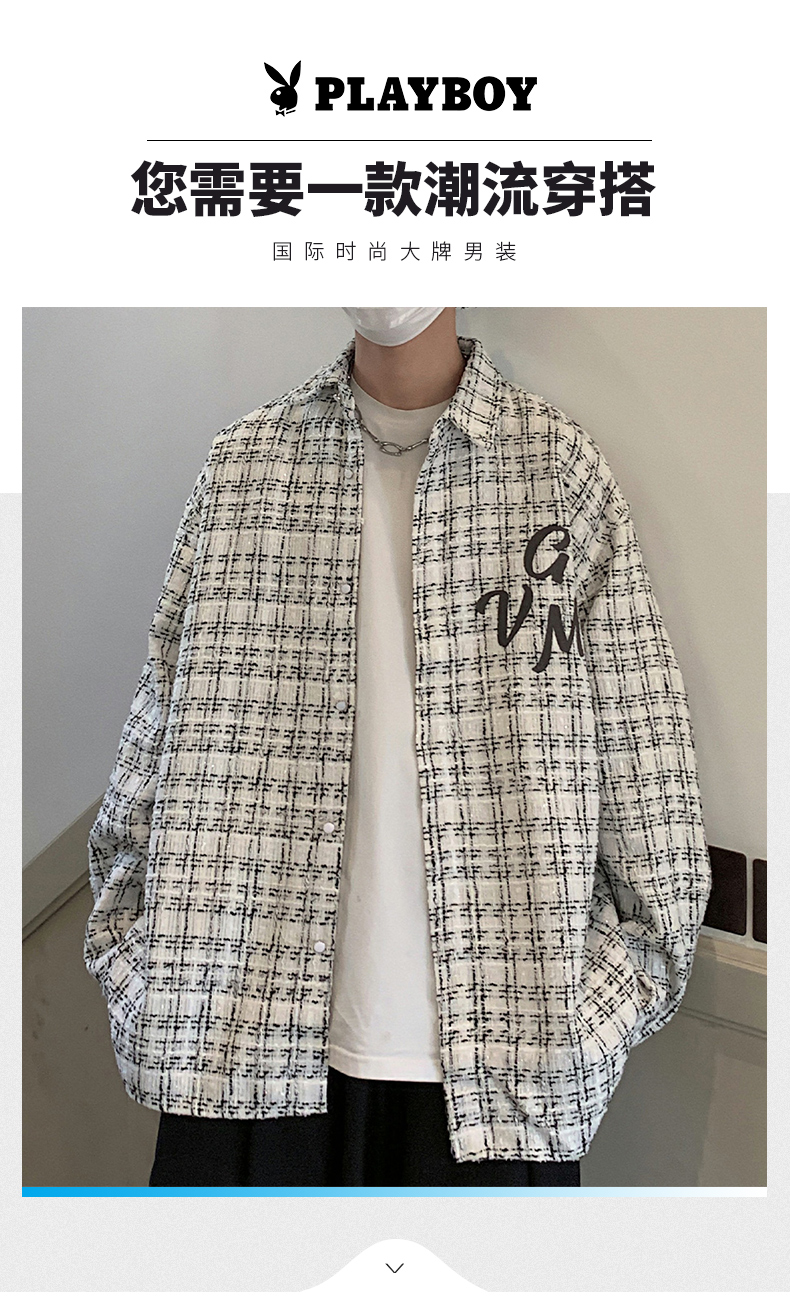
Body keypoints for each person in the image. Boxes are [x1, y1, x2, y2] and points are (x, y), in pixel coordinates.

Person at [84, 307, 712, 1188]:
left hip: (504, 1081)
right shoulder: (245, 469)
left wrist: (577, 1030)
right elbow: (145, 765)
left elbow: (655, 808)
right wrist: (148, 976)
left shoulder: (554, 472)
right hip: (235, 1048)